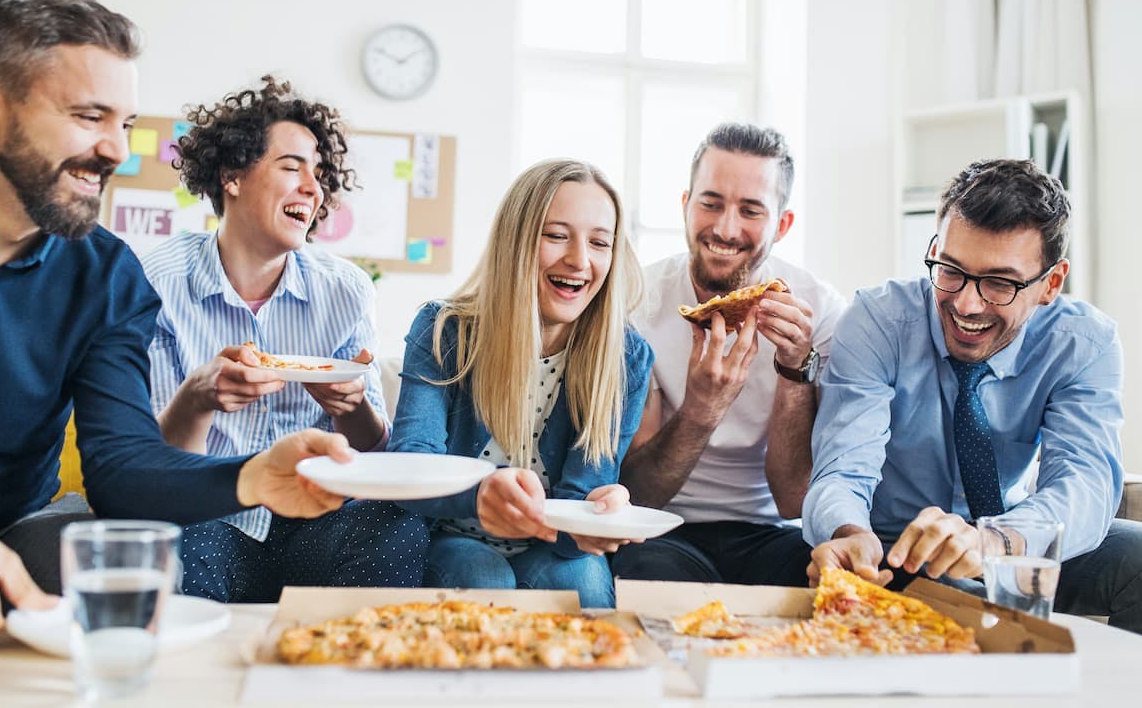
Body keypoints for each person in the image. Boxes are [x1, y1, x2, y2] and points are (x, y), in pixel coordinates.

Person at [0, 0, 353, 640]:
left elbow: (122, 470)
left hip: (16, 534)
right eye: (88, 117)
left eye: (124, 124)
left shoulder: (107, 275)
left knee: (102, 568)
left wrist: (252, 477)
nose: (117, 151)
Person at [804, 158, 1142, 632]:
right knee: (967, 605)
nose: (965, 303)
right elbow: (842, 468)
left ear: (1051, 283)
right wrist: (849, 532)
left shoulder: (1084, 343)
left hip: (1014, 544)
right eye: (950, 269)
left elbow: (1084, 484)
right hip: (898, 551)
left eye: (999, 283)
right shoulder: (878, 321)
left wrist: (995, 541)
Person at [141, 77, 428, 601]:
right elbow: (155, 466)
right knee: (166, 538)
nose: (313, 189)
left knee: (396, 526)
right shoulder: (157, 282)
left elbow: (371, 450)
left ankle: (351, 677)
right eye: (292, 166)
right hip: (210, 515)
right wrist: (198, 399)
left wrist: (351, 405)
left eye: (319, 174)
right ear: (231, 175)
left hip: (318, 516)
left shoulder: (344, 290)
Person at [387, 158, 654, 608]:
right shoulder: (444, 329)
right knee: (483, 575)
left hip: (550, 547)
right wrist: (479, 497)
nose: (580, 260)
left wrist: (598, 516)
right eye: (556, 236)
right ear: (516, 240)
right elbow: (412, 464)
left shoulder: (626, 358)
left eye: (600, 242)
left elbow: (581, 495)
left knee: (584, 583)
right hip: (454, 536)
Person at [612, 123, 846, 586]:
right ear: (685, 206)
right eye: (711, 203)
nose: (725, 228)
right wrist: (702, 409)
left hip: (771, 530)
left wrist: (795, 370)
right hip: (662, 530)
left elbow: (794, 500)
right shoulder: (634, 303)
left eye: (751, 210)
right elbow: (639, 496)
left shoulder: (820, 313)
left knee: (825, 585)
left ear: (782, 225)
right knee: (646, 576)